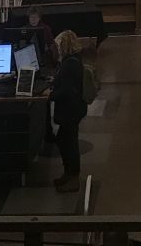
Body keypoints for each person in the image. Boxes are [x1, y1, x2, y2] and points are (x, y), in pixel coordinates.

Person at [49, 29, 88, 194]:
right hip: (74, 109)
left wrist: (50, 95)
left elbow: (65, 90)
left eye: (58, 46)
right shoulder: (73, 60)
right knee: (64, 140)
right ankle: (68, 173)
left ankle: (73, 178)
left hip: (70, 111)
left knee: (69, 143)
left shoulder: (69, 65)